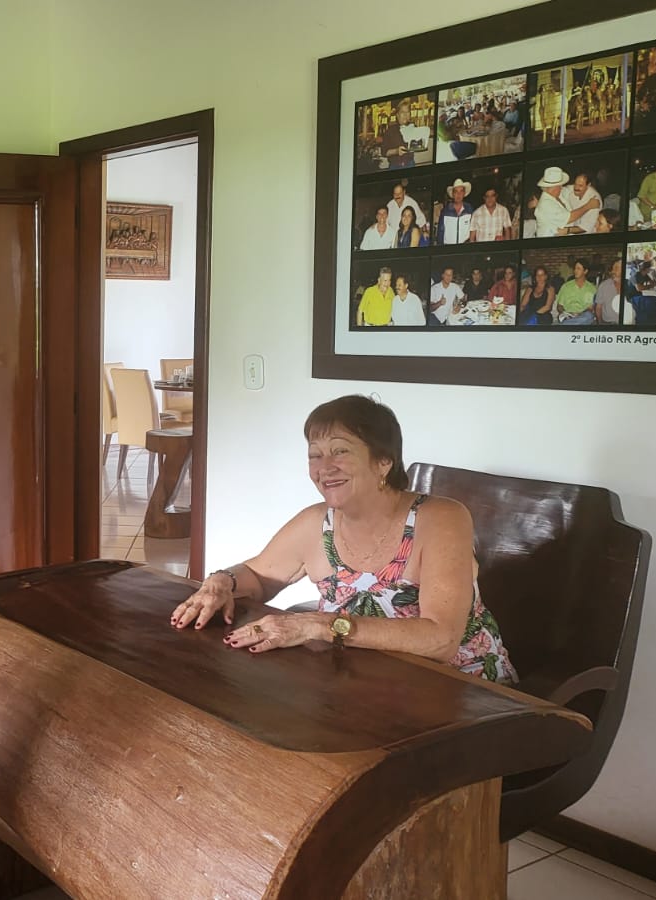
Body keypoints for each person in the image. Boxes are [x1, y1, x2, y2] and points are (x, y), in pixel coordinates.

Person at [170, 396, 517, 685]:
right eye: (315, 455)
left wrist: (318, 625)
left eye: (340, 451)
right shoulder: (315, 523)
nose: (325, 467)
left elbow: (441, 639)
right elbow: (258, 576)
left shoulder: (441, 518)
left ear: (383, 461)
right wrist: (221, 582)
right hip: (360, 685)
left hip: (462, 692)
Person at [555, 258, 598, 325]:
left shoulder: (592, 288)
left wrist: (580, 314)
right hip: (568, 315)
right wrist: (566, 313)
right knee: (562, 317)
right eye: (575, 268)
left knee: (589, 316)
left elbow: (591, 308)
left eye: (578, 268)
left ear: (585, 271)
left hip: (583, 316)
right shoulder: (566, 286)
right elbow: (559, 306)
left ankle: (567, 324)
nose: (575, 271)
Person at [533, 166, 571, 237]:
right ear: (555, 187)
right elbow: (569, 218)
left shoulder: (558, 195)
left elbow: (570, 189)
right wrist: (587, 206)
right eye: (560, 185)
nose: (562, 187)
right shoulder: (546, 203)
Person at [381, 99, 416, 168]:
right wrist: (396, 151)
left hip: (410, 164)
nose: (405, 115)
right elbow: (384, 152)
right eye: (402, 112)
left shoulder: (413, 128)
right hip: (395, 166)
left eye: (407, 112)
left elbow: (418, 144)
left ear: (410, 114)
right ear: (397, 115)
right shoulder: (390, 131)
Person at [436, 180, 473, 244]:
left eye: (461, 191)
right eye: (456, 191)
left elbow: (473, 230)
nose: (459, 194)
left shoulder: (469, 209)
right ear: (452, 194)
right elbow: (440, 234)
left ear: (464, 193)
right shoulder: (445, 211)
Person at [594, 258, 624, 324]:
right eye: (612, 269)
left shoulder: (629, 285)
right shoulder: (604, 285)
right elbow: (598, 307)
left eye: (616, 268)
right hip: (609, 323)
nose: (613, 271)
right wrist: (600, 323)